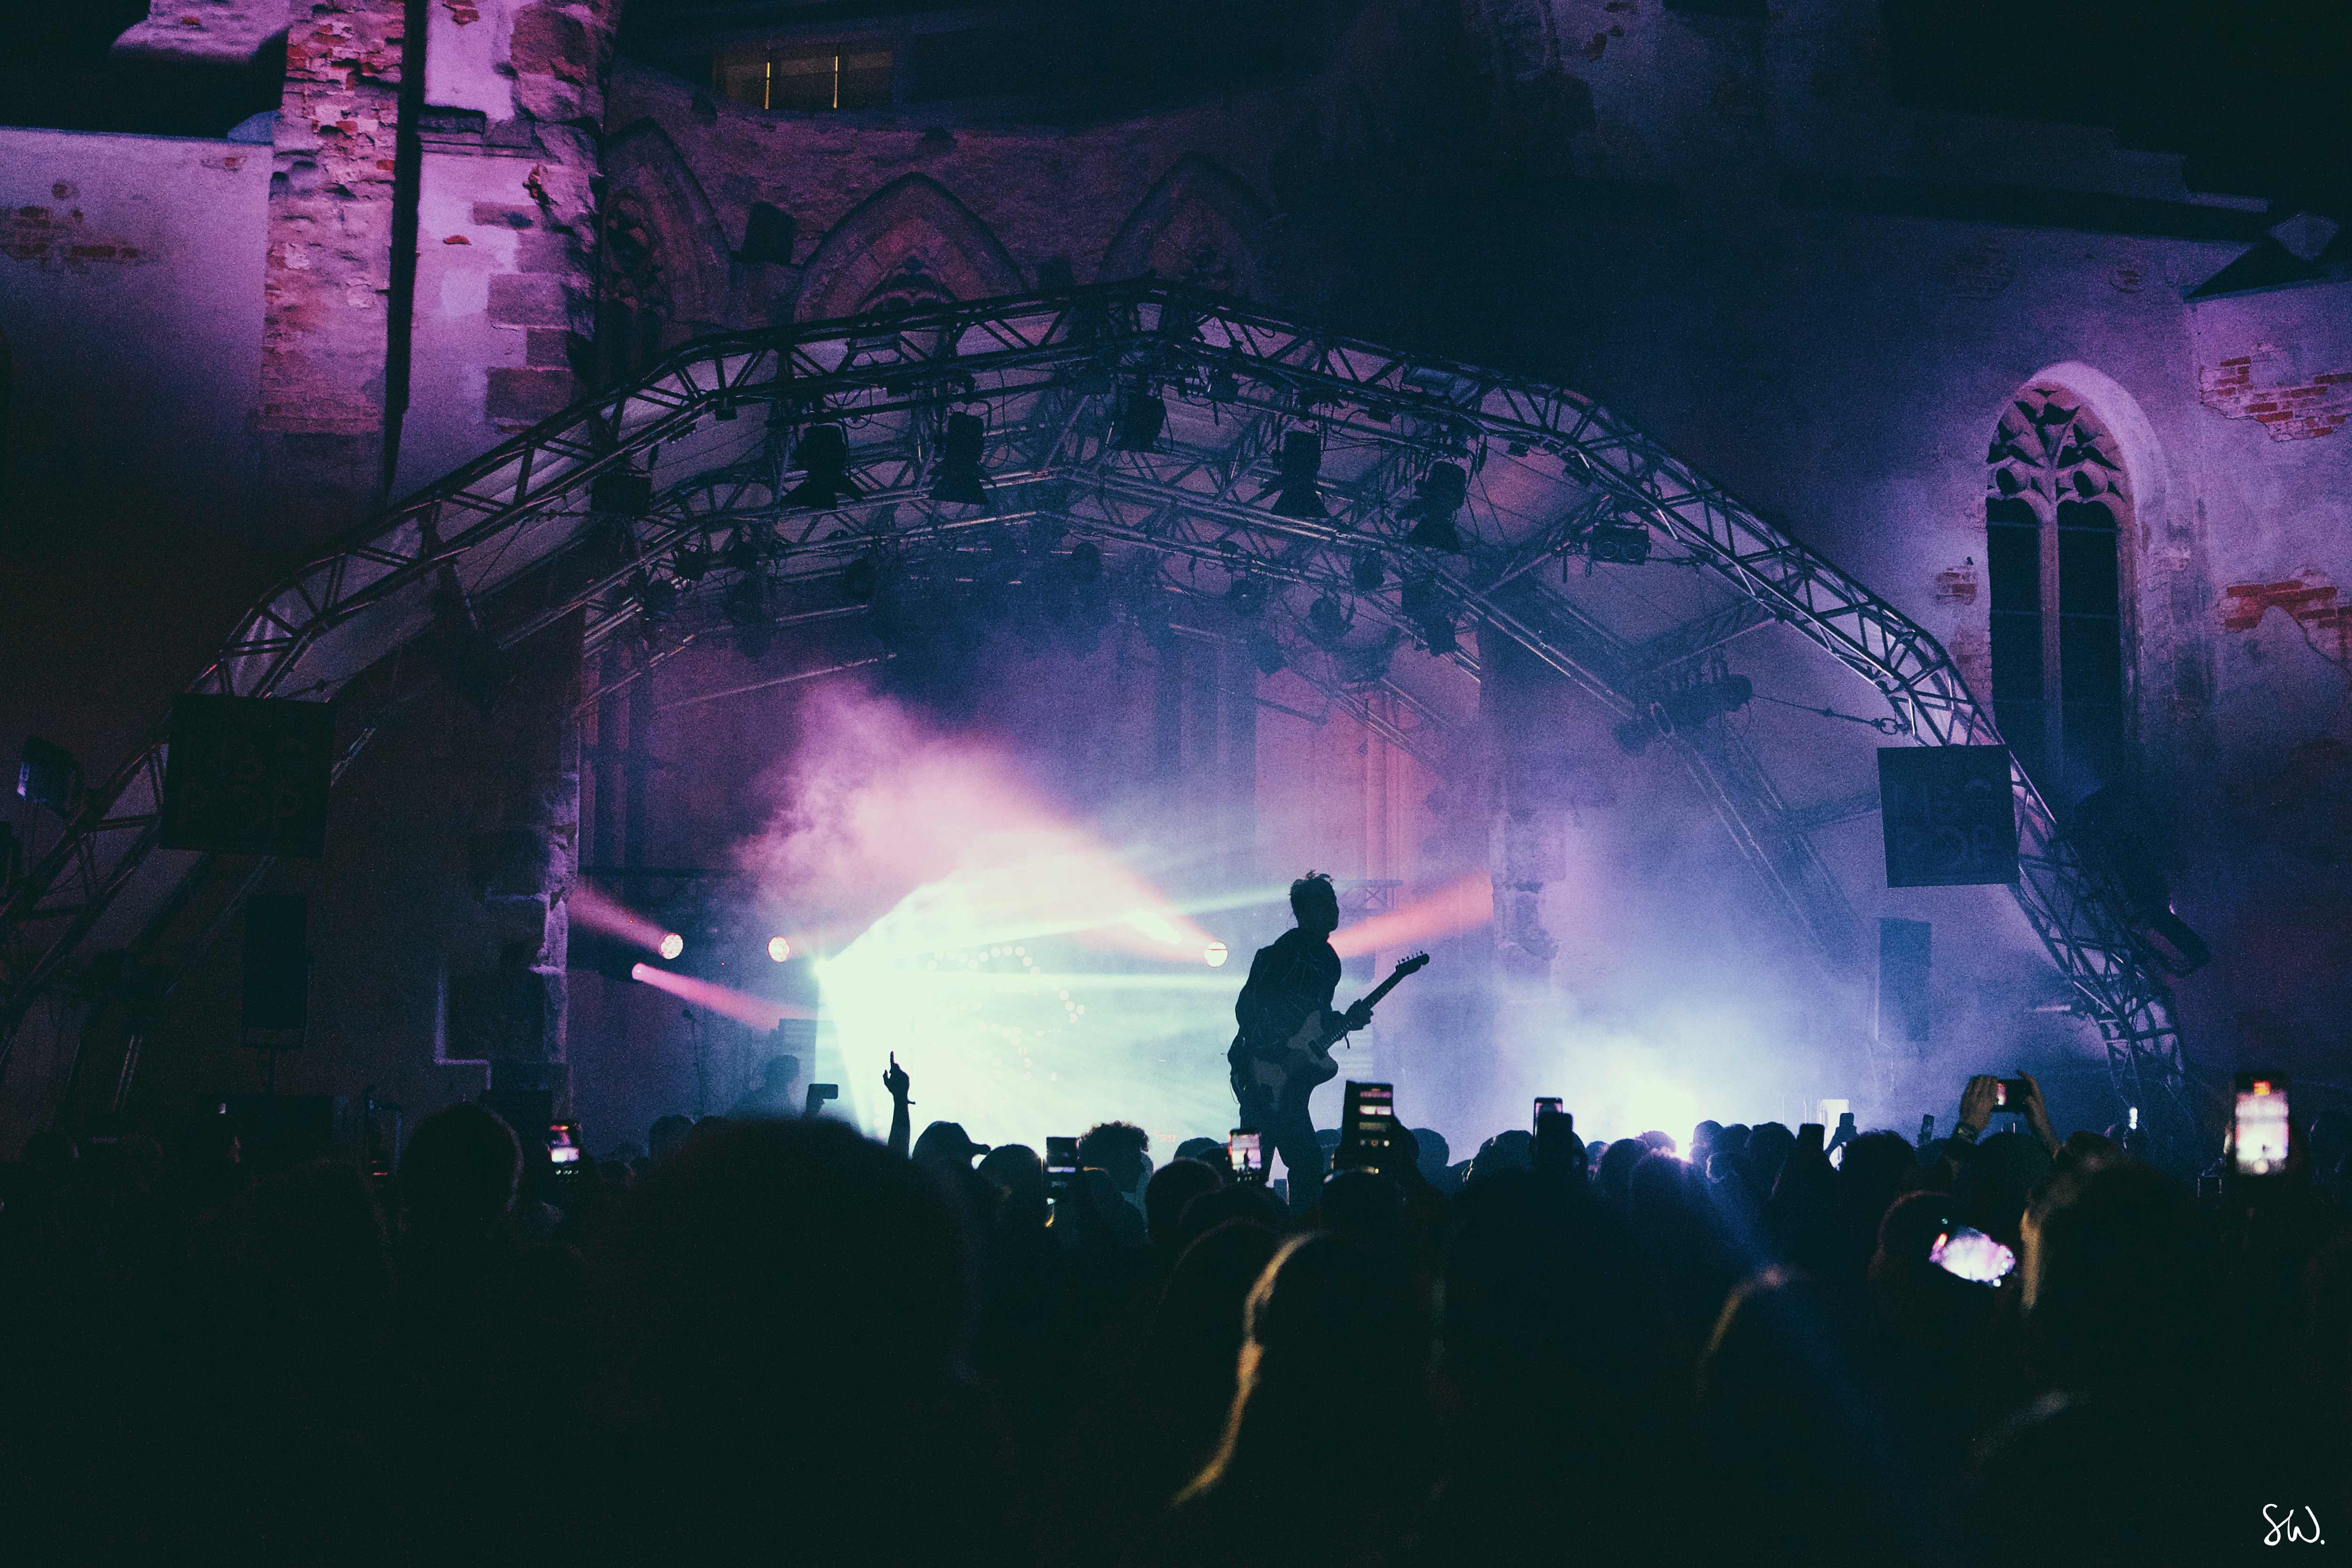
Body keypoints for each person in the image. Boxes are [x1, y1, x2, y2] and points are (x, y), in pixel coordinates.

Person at [1229, 872, 1372, 1211]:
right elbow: (1249, 1010)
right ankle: (1264, 1224)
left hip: (1279, 1076)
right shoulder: (1281, 954)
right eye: (1326, 904)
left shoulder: (1326, 958)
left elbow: (1314, 1018)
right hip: (1261, 1072)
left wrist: (1344, 1021)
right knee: (1268, 1165)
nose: (1335, 909)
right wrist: (1277, 1054)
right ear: (1304, 911)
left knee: (1281, 1165)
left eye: (1334, 902)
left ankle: (1279, 1224)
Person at [727, 1052, 801, 1119]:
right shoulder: (784, 1109)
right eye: (798, 1076)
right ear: (790, 1080)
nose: (799, 1081)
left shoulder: (750, 1099)